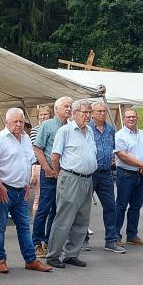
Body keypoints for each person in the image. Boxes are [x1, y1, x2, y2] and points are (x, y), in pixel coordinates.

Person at [0, 108, 54, 274]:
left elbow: (27, 162)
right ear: (7, 122)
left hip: (21, 189)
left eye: (21, 121)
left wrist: (26, 184)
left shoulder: (26, 138)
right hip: (4, 189)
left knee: (24, 227)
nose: (19, 124)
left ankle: (31, 260)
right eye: (15, 122)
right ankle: (0, 260)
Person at [45, 99, 97, 269]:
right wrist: (60, 174)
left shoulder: (89, 130)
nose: (88, 115)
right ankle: (53, 255)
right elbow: (55, 156)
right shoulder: (65, 131)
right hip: (71, 178)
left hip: (87, 179)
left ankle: (71, 254)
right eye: (84, 112)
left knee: (82, 219)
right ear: (74, 113)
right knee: (64, 219)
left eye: (89, 112)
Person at [33, 96, 72, 255]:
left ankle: (50, 241)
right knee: (44, 208)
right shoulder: (47, 125)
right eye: (65, 106)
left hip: (65, 174)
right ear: (56, 109)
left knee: (57, 210)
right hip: (50, 173)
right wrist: (47, 169)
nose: (69, 109)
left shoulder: (70, 126)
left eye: (70, 106)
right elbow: (37, 148)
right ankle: (36, 243)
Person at [112, 109, 143, 253]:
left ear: (137, 118)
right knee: (121, 206)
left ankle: (132, 235)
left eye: (133, 116)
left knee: (136, 206)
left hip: (142, 175)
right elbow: (123, 156)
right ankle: (115, 236)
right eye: (128, 117)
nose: (131, 119)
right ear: (123, 119)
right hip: (125, 174)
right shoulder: (119, 135)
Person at [88, 101, 117, 250]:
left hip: (106, 173)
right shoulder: (87, 129)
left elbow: (114, 147)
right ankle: (82, 240)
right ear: (92, 113)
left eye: (104, 111)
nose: (102, 113)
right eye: (99, 111)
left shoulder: (110, 129)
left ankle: (111, 241)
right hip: (90, 173)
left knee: (111, 207)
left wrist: (112, 158)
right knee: (84, 208)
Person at [30, 105, 52, 218]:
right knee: (39, 197)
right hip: (39, 166)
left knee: (51, 198)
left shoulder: (54, 128)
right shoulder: (35, 130)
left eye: (45, 114)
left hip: (52, 167)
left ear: (50, 116)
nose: (43, 117)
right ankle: (36, 223)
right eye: (41, 115)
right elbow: (37, 148)